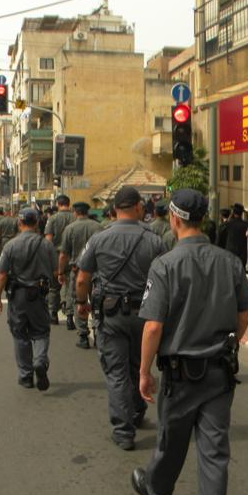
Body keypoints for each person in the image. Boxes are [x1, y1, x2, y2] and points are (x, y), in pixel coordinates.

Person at [131, 189, 248, 495]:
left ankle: (158, 491)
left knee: (171, 442)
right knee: (215, 455)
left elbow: (153, 326)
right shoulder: (230, 262)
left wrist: (144, 371)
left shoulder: (165, 265)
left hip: (180, 375)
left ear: (174, 218)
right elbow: (244, 318)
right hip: (218, 374)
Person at [76, 186, 165, 451]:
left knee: (116, 372)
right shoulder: (154, 239)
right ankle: (137, 413)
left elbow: (82, 278)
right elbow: (165, 278)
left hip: (111, 313)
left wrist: (82, 303)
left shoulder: (99, 239)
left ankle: (123, 431)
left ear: (115, 208)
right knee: (140, 364)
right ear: (138, 207)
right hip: (146, 314)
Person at [0, 207, 58, 391]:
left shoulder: (11, 246)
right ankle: (40, 361)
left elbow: (2, 275)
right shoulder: (46, 245)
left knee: (20, 334)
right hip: (38, 294)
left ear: (19, 223)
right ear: (37, 223)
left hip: (18, 296)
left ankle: (26, 375)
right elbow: (55, 271)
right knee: (41, 331)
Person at [59, 202, 103, 349]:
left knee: (80, 301)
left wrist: (60, 271)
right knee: (97, 303)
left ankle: (83, 335)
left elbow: (63, 254)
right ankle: (98, 334)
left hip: (77, 271)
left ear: (75, 212)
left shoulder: (69, 228)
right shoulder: (98, 227)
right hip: (96, 271)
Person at [45, 195, 75, 325]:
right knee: (70, 286)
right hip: (73, 256)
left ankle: (53, 314)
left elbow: (48, 240)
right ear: (69, 203)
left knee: (53, 287)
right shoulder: (75, 218)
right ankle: (69, 316)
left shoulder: (52, 219)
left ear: (58, 204)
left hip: (56, 256)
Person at [223, 203, 248, 268]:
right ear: (241, 213)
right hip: (242, 255)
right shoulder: (246, 225)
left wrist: (230, 217)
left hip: (230, 254)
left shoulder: (228, 224)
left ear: (233, 213)